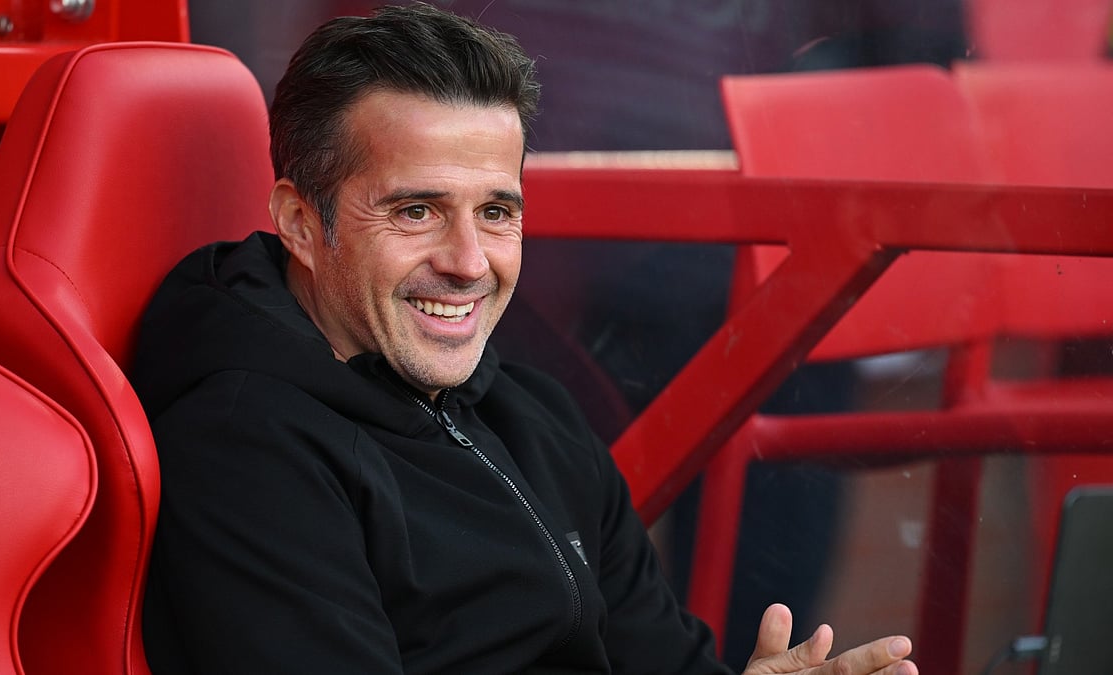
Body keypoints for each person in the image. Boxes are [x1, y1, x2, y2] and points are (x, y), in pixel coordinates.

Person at [131, 3, 918, 673]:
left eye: (497, 212)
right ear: (303, 224)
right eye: (417, 211)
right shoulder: (248, 445)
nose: (469, 263)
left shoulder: (527, 410)